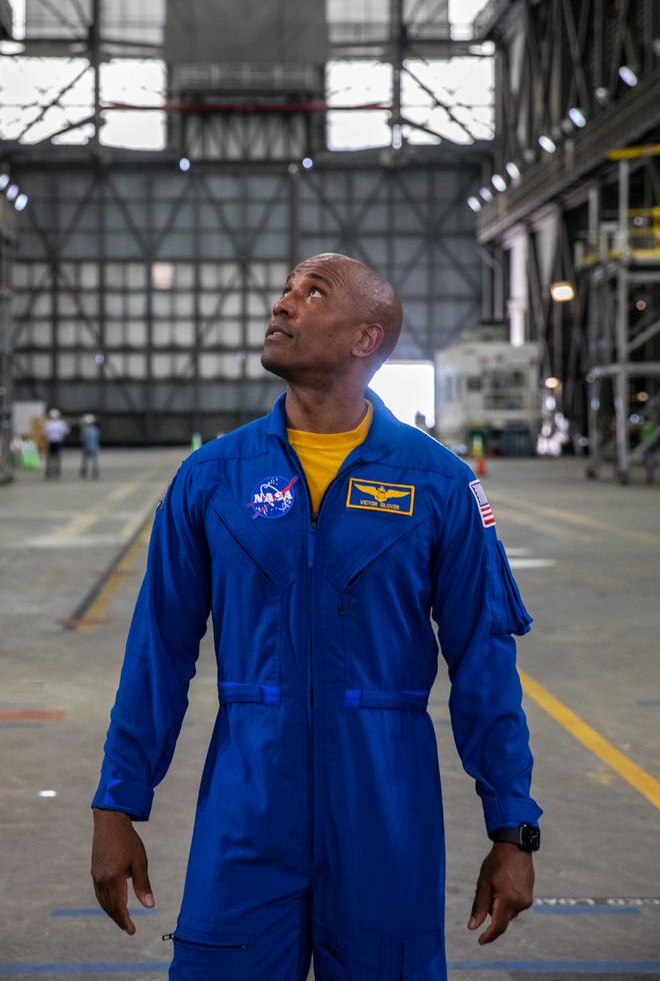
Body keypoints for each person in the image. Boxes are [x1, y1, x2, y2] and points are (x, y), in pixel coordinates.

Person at [90, 254, 541, 980]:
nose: (282, 303)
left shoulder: (440, 484)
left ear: (366, 338)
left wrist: (512, 828)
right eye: (285, 290)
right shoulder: (212, 478)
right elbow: (158, 654)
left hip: (386, 813)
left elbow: (483, 663)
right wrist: (117, 804)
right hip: (245, 810)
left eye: (311, 293)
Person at [42, 408, 68, 479]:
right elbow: (66, 432)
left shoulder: (48, 423)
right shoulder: (61, 423)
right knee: (57, 456)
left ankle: (49, 470)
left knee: (50, 457)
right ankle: (56, 470)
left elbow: (44, 433)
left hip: (51, 442)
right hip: (58, 442)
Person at [80, 413, 101, 480]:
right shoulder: (95, 429)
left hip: (86, 447)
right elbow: (98, 437)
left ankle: (84, 471)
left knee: (85, 460)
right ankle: (95, 471)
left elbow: (82, 438)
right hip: (94, 447)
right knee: (94, 460)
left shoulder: (84, 430)